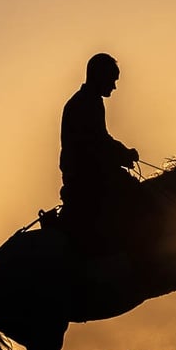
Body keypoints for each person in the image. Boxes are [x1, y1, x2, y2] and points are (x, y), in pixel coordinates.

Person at [57, 52, 142, 256]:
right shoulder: (85, 103)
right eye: (112, 80)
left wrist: (122, 154)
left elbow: (101, 140)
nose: (114, 86)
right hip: (86, 179)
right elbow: (97, 143)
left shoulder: (89, 101)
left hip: (88, 175)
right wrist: (124, 154)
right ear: (100, 76)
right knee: (134, 197)